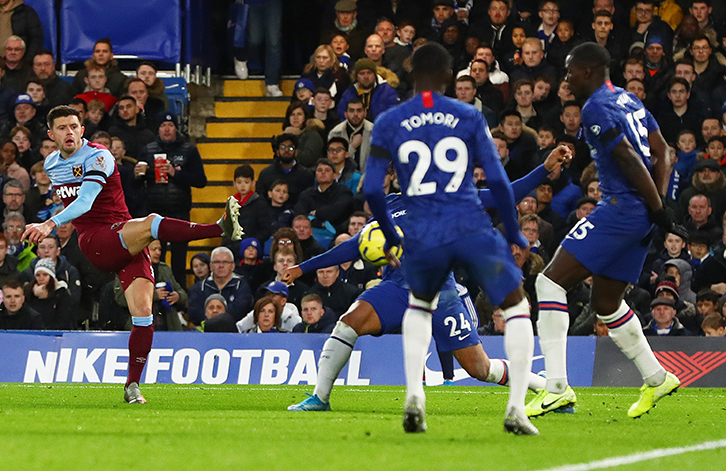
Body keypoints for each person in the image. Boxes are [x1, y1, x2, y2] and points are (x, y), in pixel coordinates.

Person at [362, 42, 557, 435]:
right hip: (470, 225)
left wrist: (389, 234)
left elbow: (370, 190)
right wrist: (515, 230)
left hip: (423, 231)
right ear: (450, 76)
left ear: (412, 72)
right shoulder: (468, 115)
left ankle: (415, 394)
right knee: (517, 307)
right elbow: (498, 180)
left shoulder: (389, 120)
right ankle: (517, 408)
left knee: (419, 306)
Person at [285, 158, 560, 415]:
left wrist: (545, 169)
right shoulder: (388, 206)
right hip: (398, 287)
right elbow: (354, 246)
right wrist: (303, 267)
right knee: (348, 322)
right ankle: (320, 398)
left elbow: (504, 194)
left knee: (480, 368)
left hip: (441, 293)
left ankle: (548, 388)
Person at [22, 105, 245, 404]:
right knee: (152, 223)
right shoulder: (51, 164)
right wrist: (51, 221)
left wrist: (50, 223)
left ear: (82, 129)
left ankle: (132, 386)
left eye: (74, 126)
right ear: (51, 135)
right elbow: (81, 206)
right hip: (97, 240)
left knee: (143, 316)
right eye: (62, 128)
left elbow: (85, 199)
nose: (69, 132)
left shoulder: (98, 156)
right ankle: (219, 228)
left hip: (126, 239)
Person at [529, 42, 682, 420]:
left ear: (587, 71)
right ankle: (656, 376)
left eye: (568, 72)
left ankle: (557, 388)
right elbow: (663, 150)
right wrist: (657, 208)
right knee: (606, 302)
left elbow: (628, 158)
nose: (565, 80)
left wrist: (658, 208)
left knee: (549, 283)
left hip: (619, 210)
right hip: (640, 213)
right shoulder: (629, 99)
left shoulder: (595, 106)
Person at [138, 112, 208, 287]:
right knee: (154, 259)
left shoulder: (189, 150)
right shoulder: (148, 149)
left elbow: (201, 180)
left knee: (178, 261)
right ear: (158, 129)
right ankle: (153, 298)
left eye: (170, 125)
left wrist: (176, 173)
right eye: (163, 125)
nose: (167, 129)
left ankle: (180, 300)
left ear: (176, 128)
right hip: (155, 213)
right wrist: (139, 173)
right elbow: (139, 180)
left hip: (180, 212)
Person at [187, 246, 253, 325]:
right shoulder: (199, 287)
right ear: (211, 266)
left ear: (233, 266)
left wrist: (215, 316)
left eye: (225, 262)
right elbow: (193, 313)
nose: (221, 266)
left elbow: (241, 311)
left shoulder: (241, 286)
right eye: (217, 262)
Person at [23, 257, 74, 330]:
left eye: (45, 275)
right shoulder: (28, 292)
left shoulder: (61, 293)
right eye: (38, 275)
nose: (41, 278)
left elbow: (63, 319)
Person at [328, 98, 374, 170]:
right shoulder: (336, 133)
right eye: (352, 111)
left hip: (368, 176)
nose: (355, 114)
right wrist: (352, 147)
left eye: (359, 111)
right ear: (346, 114)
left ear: (365, 113)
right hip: (343, 177)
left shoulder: (374, 132)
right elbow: (334, 161)